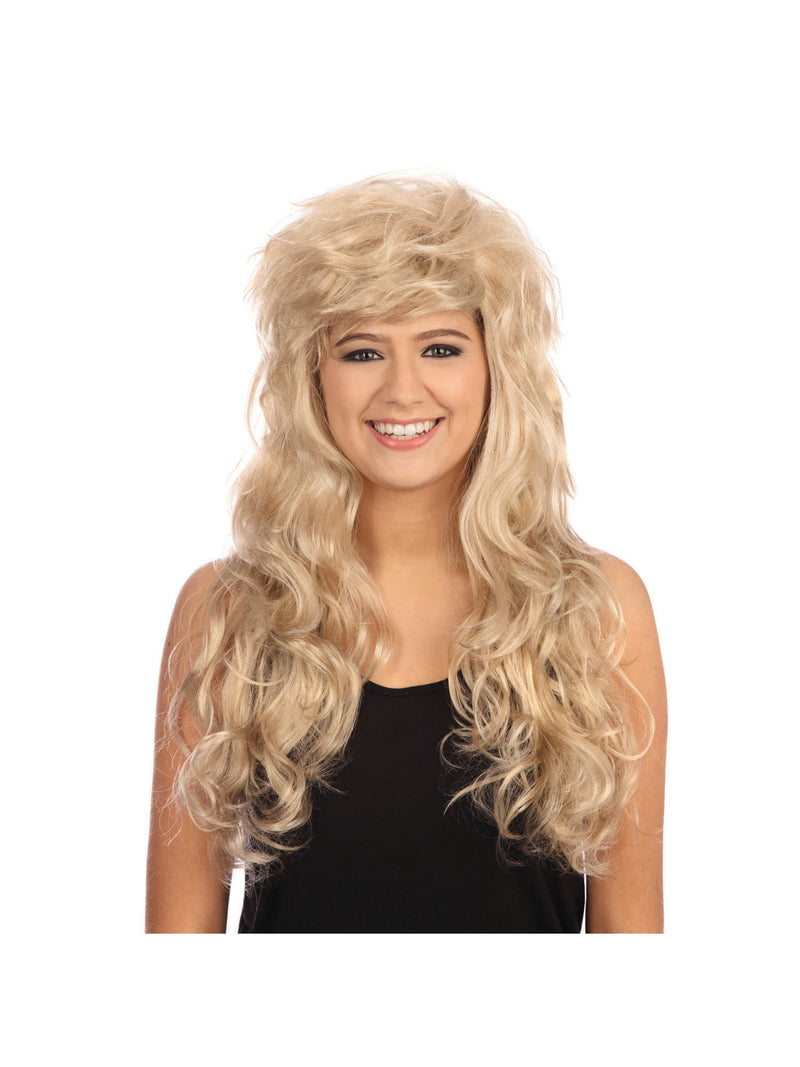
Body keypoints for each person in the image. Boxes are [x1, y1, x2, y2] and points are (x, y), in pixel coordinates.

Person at [145, 175, 667, 933]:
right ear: (313, 377)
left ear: (497, 368)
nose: (402, 389)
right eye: (363, 351)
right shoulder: (230, 610)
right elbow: (173, 953)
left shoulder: (597, 608)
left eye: (440, 347)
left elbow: (634, 943)